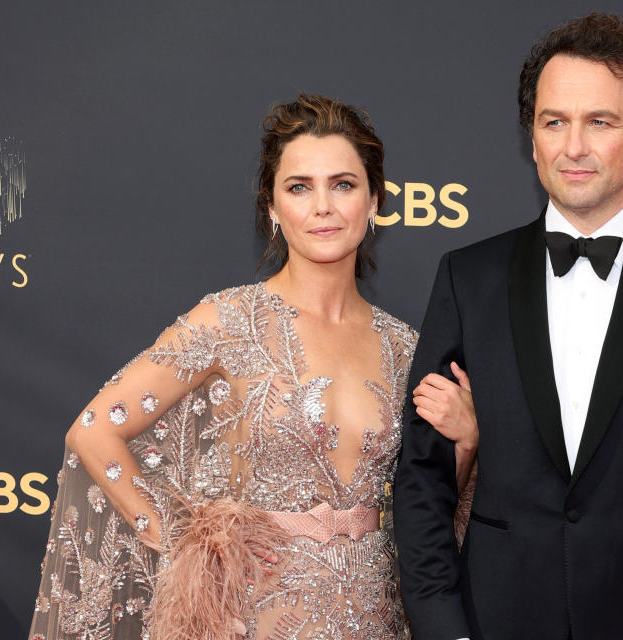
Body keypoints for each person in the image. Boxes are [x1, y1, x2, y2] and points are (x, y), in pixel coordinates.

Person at [29, 94, 477, 640]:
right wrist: (191, 547)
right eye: (298, 187)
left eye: (343, 184)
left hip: (377, 619)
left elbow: (425, 509)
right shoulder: (226, 321)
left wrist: (467, 443)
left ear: (375, 199)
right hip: (255, 617)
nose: (323, 207)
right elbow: (94, 432)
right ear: (271, 205)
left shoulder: (405, 346)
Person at [395, 12, 623, 640]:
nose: (574, 147)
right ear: (531, 136)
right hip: (494, 621)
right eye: (554, 121)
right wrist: (442, 626)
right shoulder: (467, 277)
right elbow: (422, 478)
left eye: (601, 122)